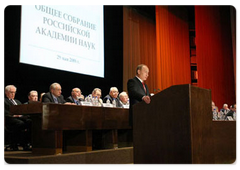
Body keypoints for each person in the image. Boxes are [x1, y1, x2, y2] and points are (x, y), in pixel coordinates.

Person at [2, 85, 32, 150]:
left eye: (14, 92)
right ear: (6, 92)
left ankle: (26, 144)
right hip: (9, 119)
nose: (13, 94)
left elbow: (23, 111)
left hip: (20, 118)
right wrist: (13, 115)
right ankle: (16, 144)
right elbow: (3, 112)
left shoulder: (17, 101)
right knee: (20, 124)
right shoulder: (3, 101)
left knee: (30, 122)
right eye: (11, 92)